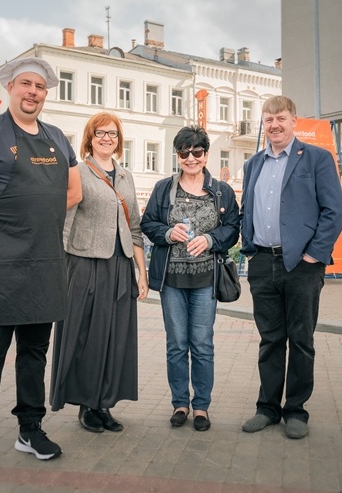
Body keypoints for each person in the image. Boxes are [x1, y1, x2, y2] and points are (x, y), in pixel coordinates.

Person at [0, 56, 82, 475]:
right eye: (26, 84)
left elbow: (74, 191)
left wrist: (37, 221)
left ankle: (30, 428)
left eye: (40, 87)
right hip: (4, 260)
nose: (33, 92)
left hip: (46, 259)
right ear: (10, 87)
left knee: (35, 350)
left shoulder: (58, 137)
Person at [239, 96, 342, 439]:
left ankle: (296, 410)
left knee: (301, 339)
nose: (274, 125)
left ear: (294, 120)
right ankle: (267, 408)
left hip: (302, 266)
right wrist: (250, 248)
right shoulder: (253, 163)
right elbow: (247, 209)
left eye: (280, 118)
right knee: (270, 340)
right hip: (263, 263)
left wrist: (314, 254)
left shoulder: (316, 158)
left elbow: (334, 211)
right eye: (268, 119)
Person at [50, 112, 148, 434]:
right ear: (90, 137)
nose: (107, 138)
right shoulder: (77, 171)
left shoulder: (126, 176)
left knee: (114, 337)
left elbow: (134, 227)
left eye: (113, 134)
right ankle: (87, 405)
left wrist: (141, 273)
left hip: (119, 266)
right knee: (86, 337)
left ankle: (105, 402)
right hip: (84, 263)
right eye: (100, 133)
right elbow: (64, 221)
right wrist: (58, 268)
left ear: (119, 141)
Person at [140, 125, 240, 432]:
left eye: (197, 152)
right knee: (176, 344)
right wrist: (168, 233)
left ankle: (201, 407)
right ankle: (180, 403)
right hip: (172, 280)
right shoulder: (163, 188)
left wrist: (210, 240)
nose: (191, 158)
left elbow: (233, 228)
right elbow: (148, 223)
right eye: (184, 152)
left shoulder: (221, 191)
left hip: (205, 281)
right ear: (178, 155)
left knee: (202, 344)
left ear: (206, 154)